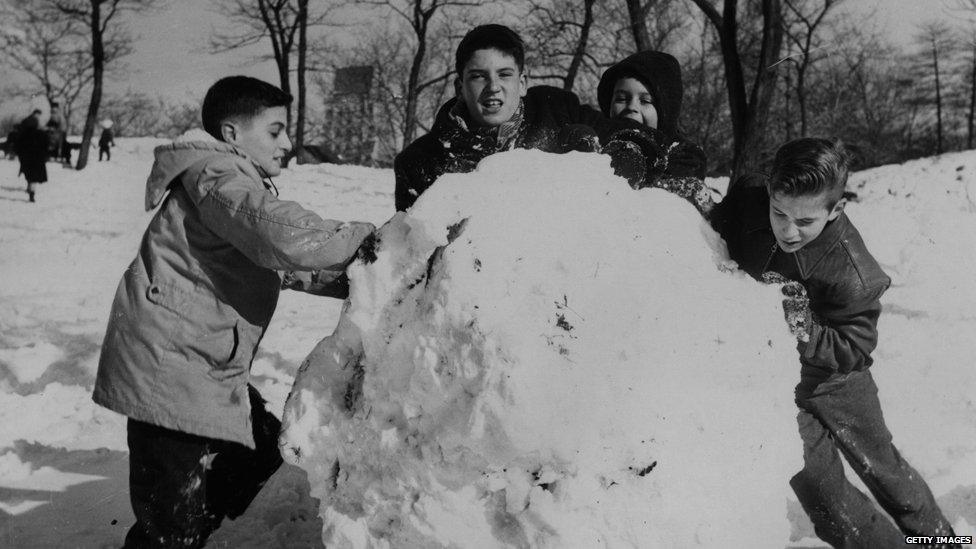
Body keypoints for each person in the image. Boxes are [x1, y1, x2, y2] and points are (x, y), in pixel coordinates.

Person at [92, 76, 376, 548]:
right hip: (168, 368)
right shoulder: (218, 176)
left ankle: (185, 532)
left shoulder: (226, 180)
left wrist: (369, 276)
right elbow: (276, 232)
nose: (287, 144)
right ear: (231, 134)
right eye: (274, 131)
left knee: (260, 448)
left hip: (198, 364)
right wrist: (369, 241)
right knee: (171, 520)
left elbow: (281, 262)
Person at [710, 138, 956, 547]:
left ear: (836, 209)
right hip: (779, 387)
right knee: (826, 498)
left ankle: (943, 543)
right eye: (779, 213)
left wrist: (806, 327)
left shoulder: (855, 271)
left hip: (840, 384)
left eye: (805, 222)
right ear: (769, 194)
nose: (788, 230)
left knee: (885, 470)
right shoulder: (750, 203)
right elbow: (713, 222)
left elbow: (855, 347)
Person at [394, 24, 657, 212]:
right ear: (459, 88)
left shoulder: (558, 111)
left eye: (504, 74)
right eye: (478, 76)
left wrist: (627, 156)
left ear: (522, 83)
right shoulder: (420, 163)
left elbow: (646, 139)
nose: (493, 86)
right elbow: (409, 260)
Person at [597, 50, 711, 214]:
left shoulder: (684, 154)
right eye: (621, 99)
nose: (631, 107)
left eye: (645, 101)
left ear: (664, 112)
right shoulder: (599, 134)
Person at [14, 109, 48, 203]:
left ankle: (30, 189)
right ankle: (32, 193)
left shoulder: (22, 135)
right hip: (37, 159)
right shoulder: (41, 134)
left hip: (26, 159)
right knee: (34, 177)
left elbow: (17, 147)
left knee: (29, 175)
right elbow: (46, 146)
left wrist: (20, 155)